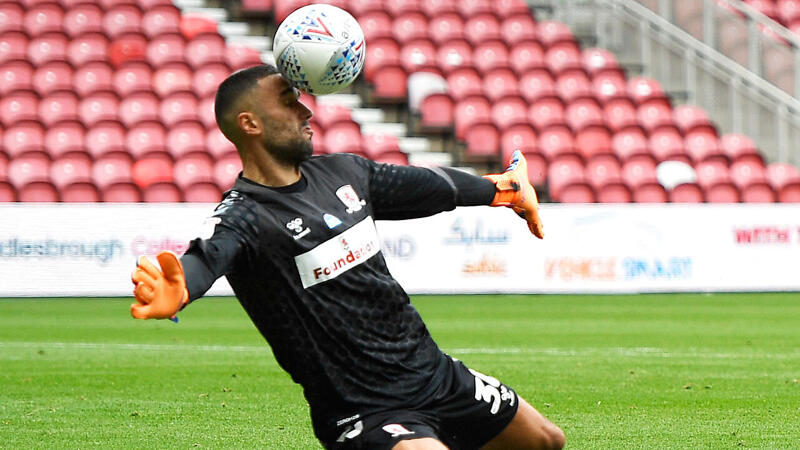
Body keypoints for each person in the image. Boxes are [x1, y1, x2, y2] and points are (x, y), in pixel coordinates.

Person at [130, 64, 563, 450]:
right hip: (365, 410)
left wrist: (503, 190)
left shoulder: (344, 173)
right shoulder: (244, 216)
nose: (307, 113)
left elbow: (434, 187)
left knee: (545, 441)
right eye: (288, 103)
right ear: (251, 123)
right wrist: (182, 284)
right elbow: (208, 256)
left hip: (435, 374)